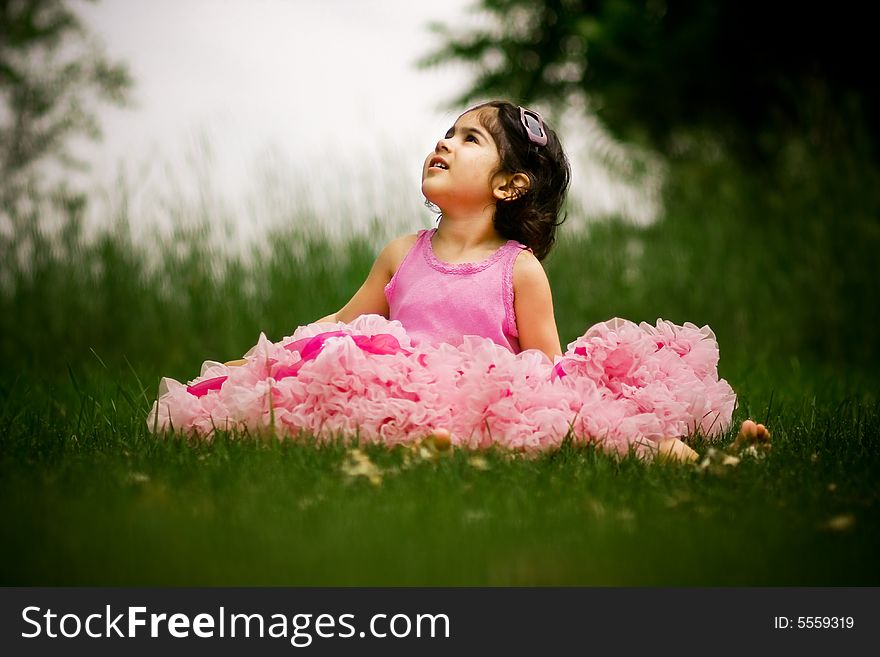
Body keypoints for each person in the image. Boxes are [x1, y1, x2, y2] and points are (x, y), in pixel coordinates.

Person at [149, 101, 739, 460]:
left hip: (484, 400)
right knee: (324, 376)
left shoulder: (518, 269)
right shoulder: (402, 254)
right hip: (400, 396)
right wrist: (267, 359)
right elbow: (341, 323)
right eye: (447, 133)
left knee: (582, 419)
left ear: (509, 185)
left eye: (469, 139)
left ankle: (669, 451)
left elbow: (550, 372)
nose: (444, 143)